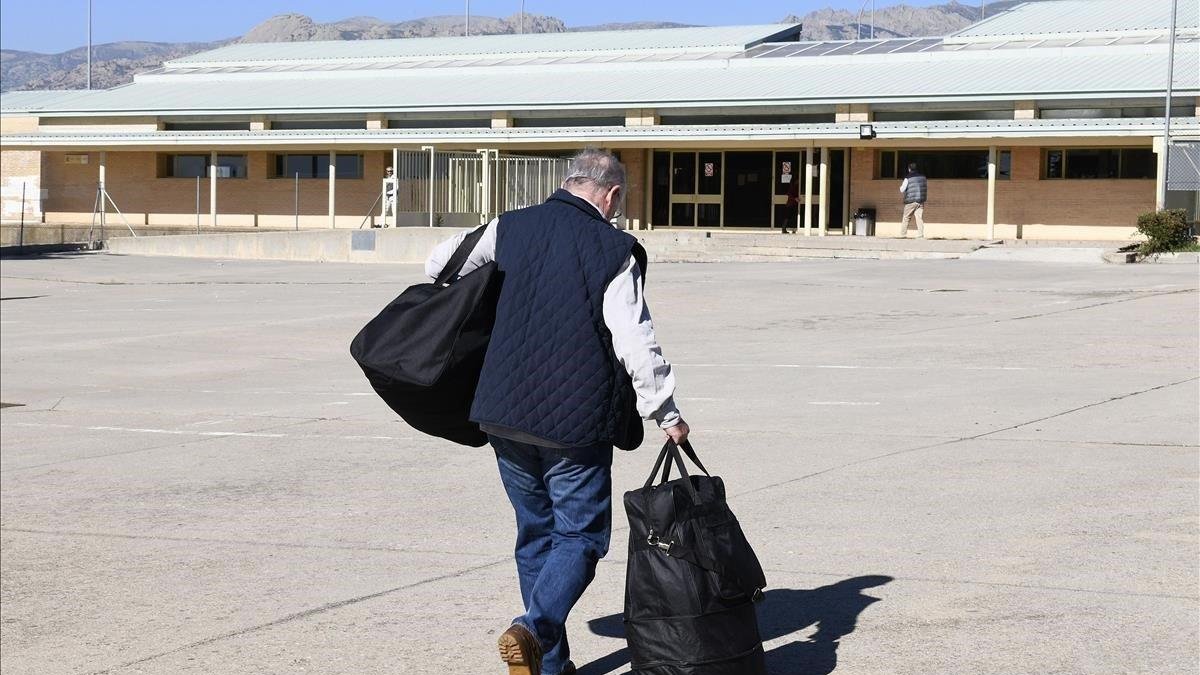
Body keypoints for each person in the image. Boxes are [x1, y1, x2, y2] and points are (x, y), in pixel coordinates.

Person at [424, 148, 689, 675]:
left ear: (569, 182)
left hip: (500, 409)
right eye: (618, 203)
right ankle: (534, 628)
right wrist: (666, 412)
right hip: (574, 421)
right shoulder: (613, 248)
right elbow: (636, 340)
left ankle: (548, 666)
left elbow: (438, 264)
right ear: (611, 195)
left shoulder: (510, 226)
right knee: (583, 536)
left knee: (536, 534)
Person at [898, 162, 927, 238]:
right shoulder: (923, 177)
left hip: (911, 200)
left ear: (909, 169)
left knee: (906, 217)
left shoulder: (908, 178)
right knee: (919, 218)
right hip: (920, 201)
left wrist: (901, 187)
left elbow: (902, 189)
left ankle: (903, 234)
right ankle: (920, 234)